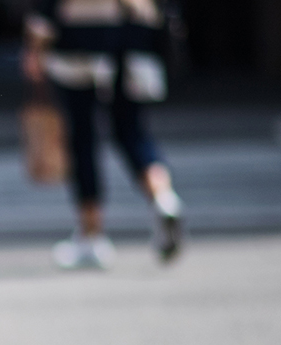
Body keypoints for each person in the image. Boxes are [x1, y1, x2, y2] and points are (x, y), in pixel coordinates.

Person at [22, 0, 183, 270]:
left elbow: (46, 8)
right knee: (131, 131)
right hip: (132, 39)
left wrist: (35, 46)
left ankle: (91, 235)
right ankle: (163, 198)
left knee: (83, 138)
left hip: (80, 41)